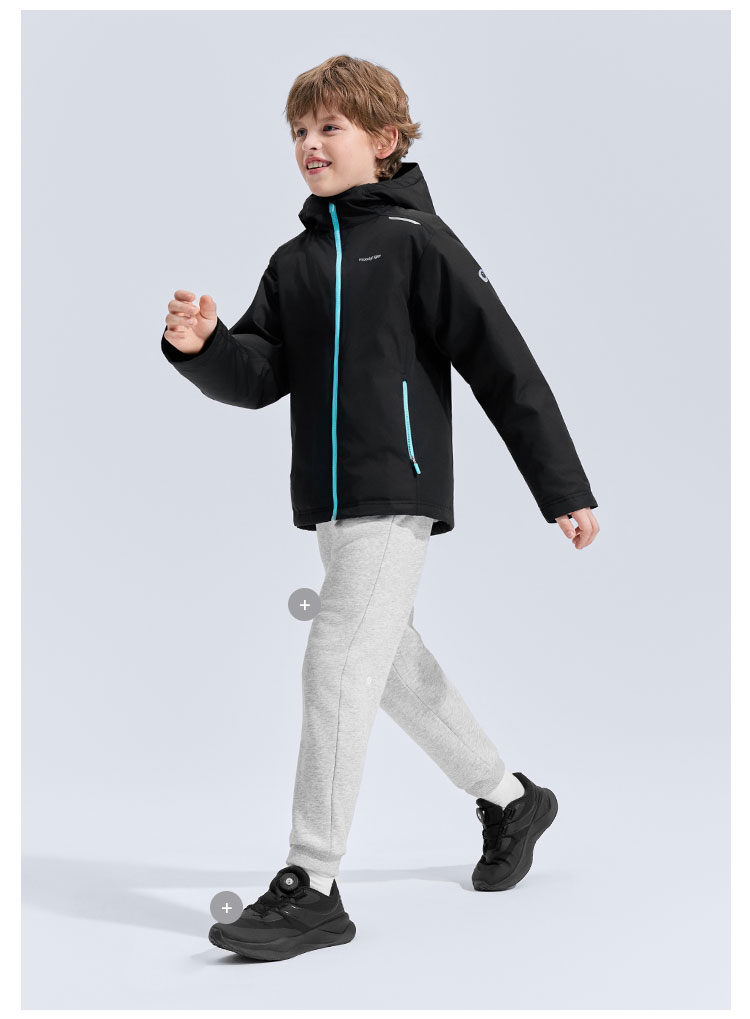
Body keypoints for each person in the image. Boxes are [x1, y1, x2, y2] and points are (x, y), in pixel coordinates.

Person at [161, 54, 600, 963]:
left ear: (385, 140)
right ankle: (513, 799)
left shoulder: (415, 240)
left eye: (330, 128)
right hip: (330, 502)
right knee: (388, 663)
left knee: (335, 663)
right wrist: (205, 348)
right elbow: (260, 374)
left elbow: (505, 366)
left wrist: (563, 488)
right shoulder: (293, 261)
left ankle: (312, 883)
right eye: (299, 131)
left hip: (397, 491)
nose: (310, 145)